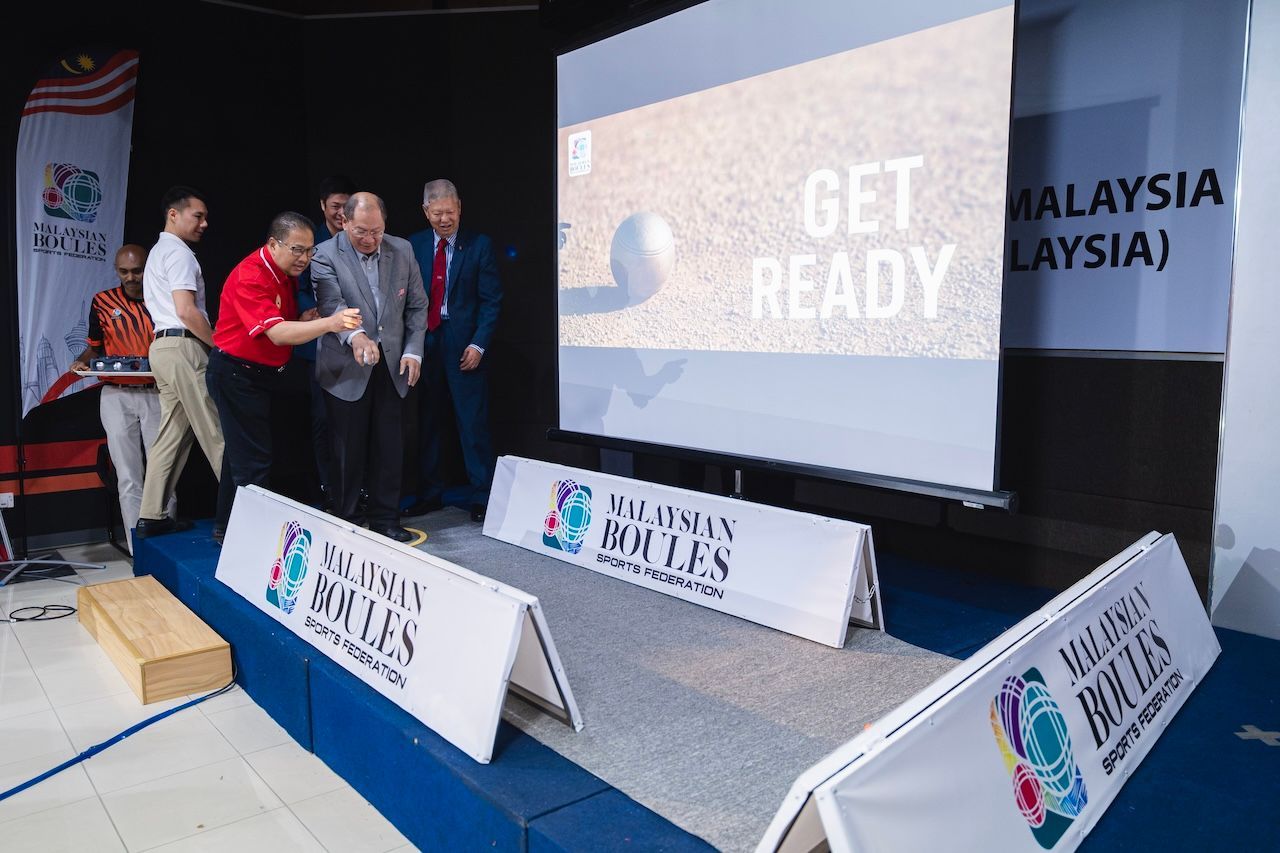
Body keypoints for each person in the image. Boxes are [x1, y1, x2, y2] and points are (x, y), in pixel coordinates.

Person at [206, 212, 362, 541]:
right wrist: (331, 323)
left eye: (309, 250)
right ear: (273, 244)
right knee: (253, 462)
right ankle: (252, 541)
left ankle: (226, 529)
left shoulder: (282, 271)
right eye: (297, 250)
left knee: (238, 458)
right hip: (236, 374)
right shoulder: (251, 275)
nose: (304, 258)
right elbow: (276, 334)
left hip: (259, 375)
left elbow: (282, 319)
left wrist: (305, 320)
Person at [311, 192, 427, 542]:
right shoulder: (325, 254)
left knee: (390, 447)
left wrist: (413, 351)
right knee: (347, 450)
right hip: (346, 365)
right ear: (344, 222)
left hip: (392, 365)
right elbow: (332, 304)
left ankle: (385, 519)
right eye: (361, 231)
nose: (370, 239)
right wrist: (357, 337)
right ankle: (347, 520)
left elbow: (417, 306)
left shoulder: (402, 250)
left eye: (377, 231)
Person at [406, 179, 502, 523]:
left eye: (450, 212)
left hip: (464, 343)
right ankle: (430, 493)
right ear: (426, 212)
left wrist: (478, 344)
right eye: (437, 213)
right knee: (427, 421)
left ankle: (482, 495)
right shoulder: (413, 245)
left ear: (459, 208)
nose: (445, 219)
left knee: (472, 422)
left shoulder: (479, 245)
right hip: (426, 342)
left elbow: (491, 301)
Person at [70, 245, 175, 553]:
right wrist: (81, 362)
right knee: (128, 477)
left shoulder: (164, 300)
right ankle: (138, 551)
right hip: (116, 394)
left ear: (148, 268)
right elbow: (95, 347)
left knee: (164, 473)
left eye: (137, 271)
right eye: (124, 271)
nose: (131, 278)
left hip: (157, 392)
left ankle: (169, 550)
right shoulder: (103, 302)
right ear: (116, 270)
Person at [136, 186, 227, 541]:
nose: (204, 224)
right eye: (198, 216)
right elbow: (187, 311)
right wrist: (218, 344)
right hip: (183, 345)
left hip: (162, 348)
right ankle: (245, 513)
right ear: (173, 214)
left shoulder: (158, 253)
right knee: (215, 429)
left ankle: (152, 515)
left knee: (172, 434)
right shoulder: (179, 254)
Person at [296, 175, 356, 508]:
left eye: (347, 206)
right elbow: (298, 287)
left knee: (354, 418)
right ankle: (328, 487)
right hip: (318, 342)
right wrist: (315, 312)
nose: (341, 213)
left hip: (356, 342)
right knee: (323, 419)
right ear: (323, 206)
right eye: (335, 206)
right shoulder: (310, 241)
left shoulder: (359, 238)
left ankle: (355, 488)